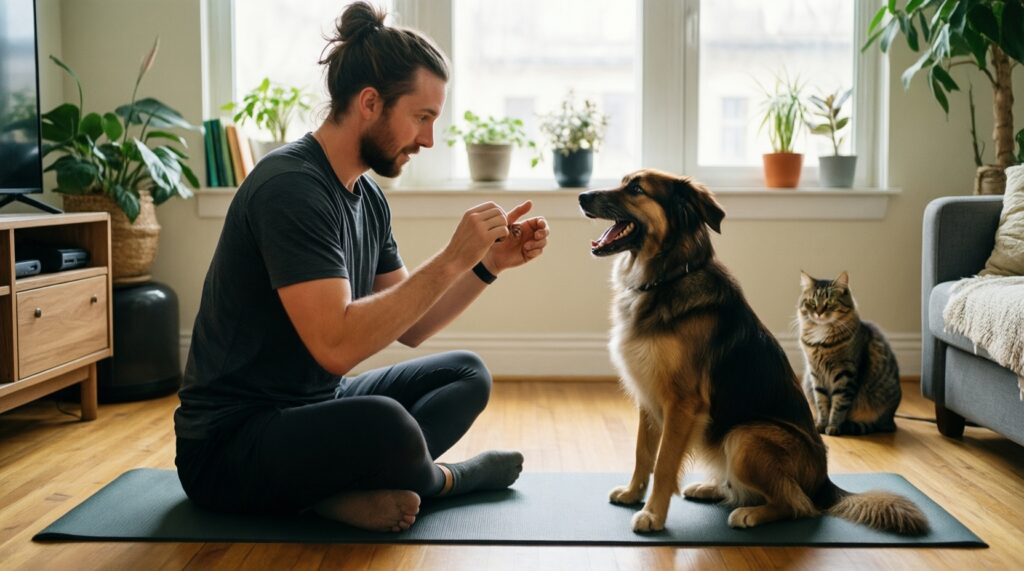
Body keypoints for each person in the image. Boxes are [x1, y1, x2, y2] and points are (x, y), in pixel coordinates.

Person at [174, 2, 549, 533]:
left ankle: (336, 491)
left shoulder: (367, 196)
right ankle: (446, 480)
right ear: (370, 103)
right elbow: (336, 346)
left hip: (314, 406)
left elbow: (413, 327)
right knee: (386, 423)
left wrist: (486, 265)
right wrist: (450, 257)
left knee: (467, 374)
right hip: (228, 444)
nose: (428, 139)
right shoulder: (290, 188)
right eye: (422, 117)